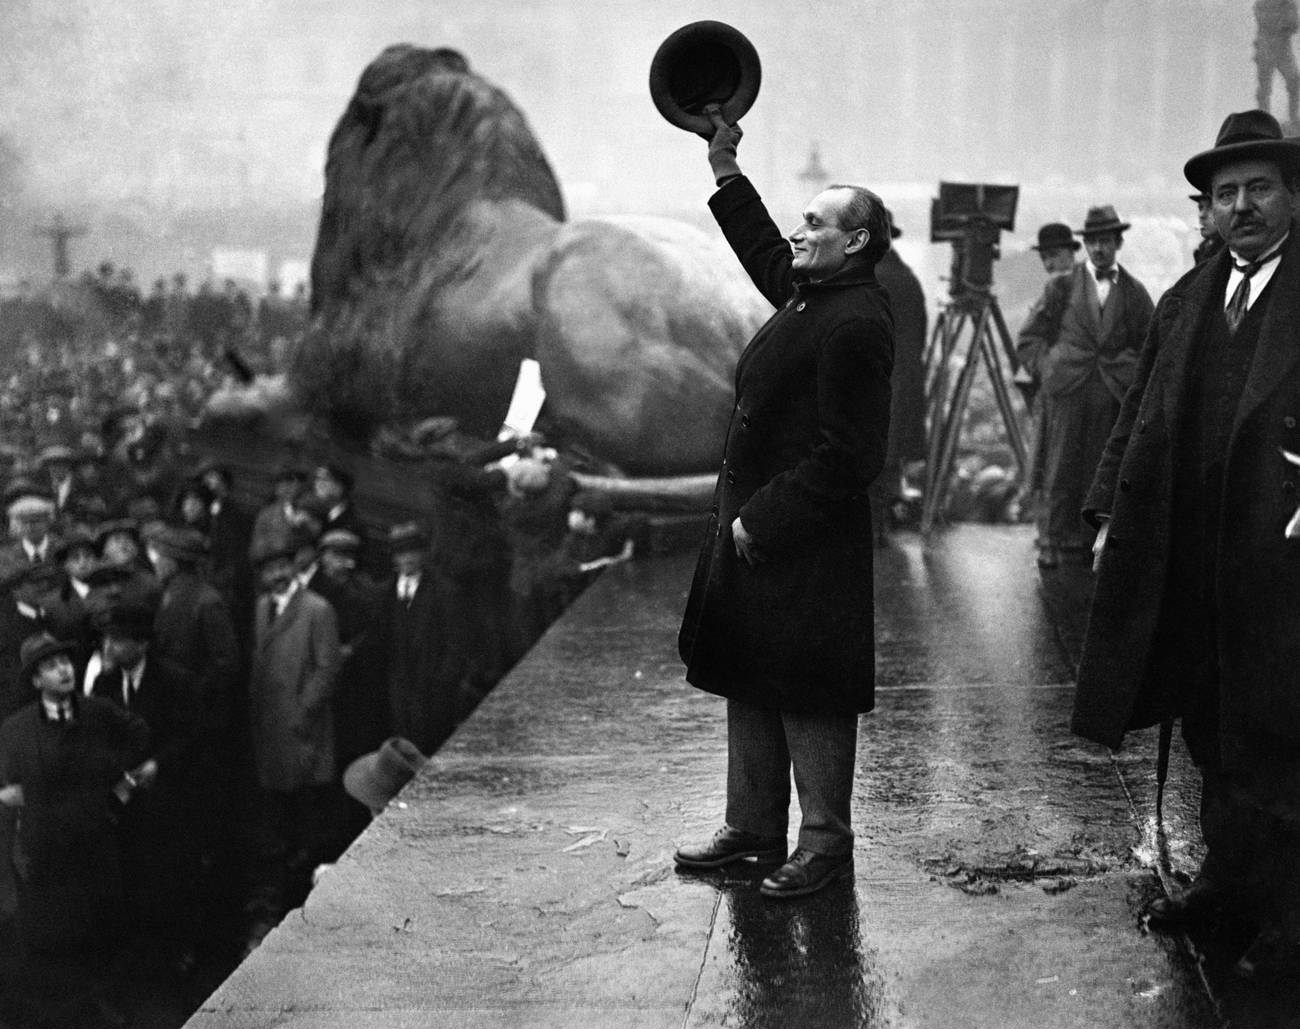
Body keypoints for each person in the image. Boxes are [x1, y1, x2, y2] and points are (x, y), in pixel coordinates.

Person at [1075, 110, 1300, 975]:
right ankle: (1226, 880)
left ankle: (1290, 918)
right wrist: (1106, 515)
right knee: (1209, 720)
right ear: (1205, 210)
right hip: (1195, 555)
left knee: (1281, 732)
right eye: (1224, 194)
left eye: (1259, 189)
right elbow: (1141, 416)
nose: (1240, 207)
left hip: (1280, 560)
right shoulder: (1188, 301)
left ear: (1292, 197)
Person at [674, 108, 894, 899]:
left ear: (855, 241)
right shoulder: (811, 294)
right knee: (752, 675)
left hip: (801, 542)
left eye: (815, 223)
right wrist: (725, 165)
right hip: (760, 540)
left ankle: (825, 842)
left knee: (810, 690)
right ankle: (753, 829)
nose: (799, 234)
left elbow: (851, 455)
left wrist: (760, 518)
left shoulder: (856, 323)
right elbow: (763, 246)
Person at [0, 633, 148, 1026]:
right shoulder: (16, 730)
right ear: (36, 681)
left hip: (95, 839)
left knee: (104, 925)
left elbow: (139, 736)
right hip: (47, 848)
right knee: (59, 936)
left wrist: (117, 781)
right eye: (50, 667)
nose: (63, 670)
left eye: (65, 662)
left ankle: (108, 1004)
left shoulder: (98, 712)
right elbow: (9, 787)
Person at [1014, 205, 1154, 568]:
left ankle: (1091, 542)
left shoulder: (1136, 293)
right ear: (1085, 245)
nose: (1099, 249)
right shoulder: (1061, 285)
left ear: (1118, 243)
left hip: (1110, 394)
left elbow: (1150, 345)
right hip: (1066, 391)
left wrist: (1128, 375)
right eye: (1092, 241)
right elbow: (1028, 338)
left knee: (1100, 468)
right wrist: (1048, 367)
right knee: (1058, 466)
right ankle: (1052, 540)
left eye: (1106, 241)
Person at [246, 535, 341, 932]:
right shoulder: (262, 607)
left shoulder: (317, 609)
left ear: (294, 567)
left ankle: (311, 903)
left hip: (303, 734)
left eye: (282, 566)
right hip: (271, 731)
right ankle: (282, 900)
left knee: (309, 818)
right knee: (279, 820)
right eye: (269, 570)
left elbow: (327, 668)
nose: (276, 575)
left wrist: (303, 713)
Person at [869, 210, 927, 542]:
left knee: (870, 464)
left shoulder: (870, 279)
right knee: (888, 462)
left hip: (877, 384)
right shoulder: (907, 278)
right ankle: (882, 531)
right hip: (903, 384)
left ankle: (873, 535)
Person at [1255, 0, 1300, 126]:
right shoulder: (1263, 3)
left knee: (1294, 81)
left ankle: (1293, 118)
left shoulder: (1289, 4)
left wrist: (1282, 25)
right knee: (1264, 88)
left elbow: (1294, 25)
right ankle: (1263, 119)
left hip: (1283, 50)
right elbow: (1264, 21)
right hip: (1266, 49)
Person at [1190, 191, 1226, 265]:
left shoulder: (1233, 252)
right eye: (1201, 208)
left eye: (1211, 208)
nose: (1201, 215)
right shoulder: (1204, 249)